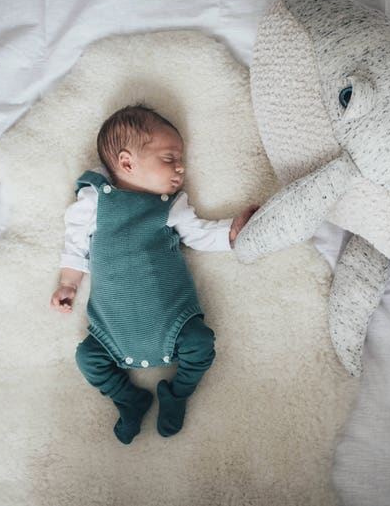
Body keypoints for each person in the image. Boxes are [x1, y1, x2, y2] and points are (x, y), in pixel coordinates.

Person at [50, 104, 258, 444]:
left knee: (201, 343)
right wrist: (68, 283)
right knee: (87, 358)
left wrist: (231, 233)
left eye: (180, 160)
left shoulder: (170, 205)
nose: (181, 168)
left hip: (173, 324)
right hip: (110, 331)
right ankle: (129, 398)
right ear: (127, 162)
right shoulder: (94, 201)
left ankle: (177, 393)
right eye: (169, 158)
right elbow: (75, 243)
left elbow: (199, 233)